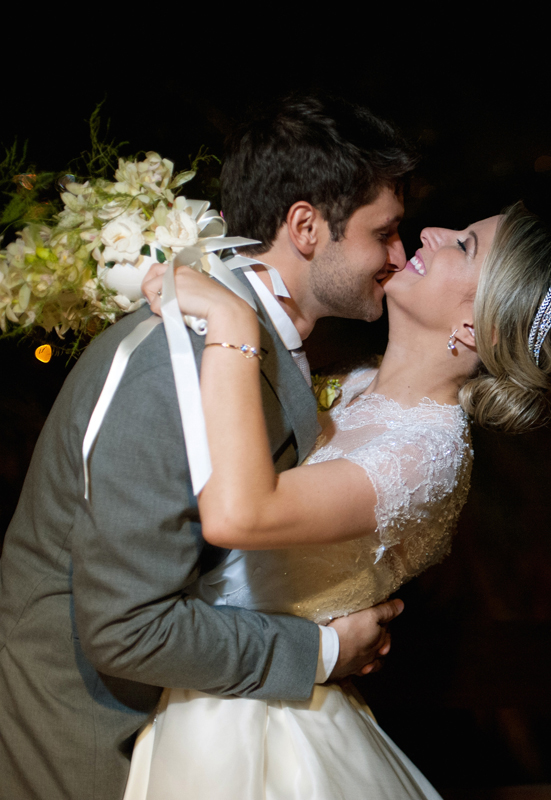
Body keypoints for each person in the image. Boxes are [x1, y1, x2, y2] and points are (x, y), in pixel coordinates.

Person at [0, 95, 417, 800]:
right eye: (386, 233)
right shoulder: (177, 365)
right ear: (307, 227)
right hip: (97, 734)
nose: (400, 258)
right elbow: (126, 628)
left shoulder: (247, 339)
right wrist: (322, 650)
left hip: (191, 717)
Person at [125, 202, 551, 799]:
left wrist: (231, 321)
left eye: (465, 246)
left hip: (252, 723)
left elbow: (238, 514)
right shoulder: (350, 383)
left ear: (481, 329)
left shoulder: (425, 454)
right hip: (202, 667)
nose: (433, 232)